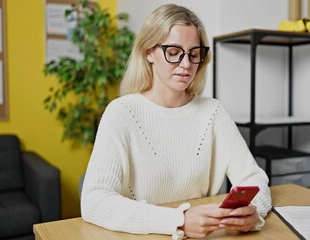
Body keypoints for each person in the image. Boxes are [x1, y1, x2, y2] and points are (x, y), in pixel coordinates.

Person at [81, 3, 272, 239]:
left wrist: (254, 212)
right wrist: (178, 222)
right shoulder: (121, 112)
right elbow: (94, 201)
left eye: (194, 54)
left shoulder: (213, 112)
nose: (186, 64)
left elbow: (254, 179)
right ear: (148, 52)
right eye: (173, 52)